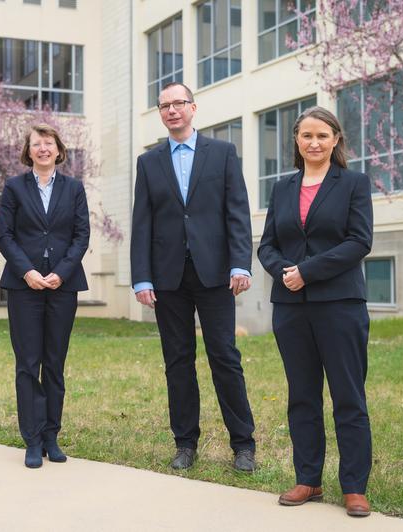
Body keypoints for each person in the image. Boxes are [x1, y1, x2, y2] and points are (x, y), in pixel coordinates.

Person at [130, 82, 256, 472]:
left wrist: (240, 263)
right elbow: (142, 223)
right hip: (168, 277)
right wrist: (141, 278)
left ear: (193, 108)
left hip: (215, 273)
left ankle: (243, 445)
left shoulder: (222, 153)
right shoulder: (149, 162)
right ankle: (185, 443)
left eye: (178, 103)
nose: (171, 111)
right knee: (178, 361)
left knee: (225, 357)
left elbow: (237, 210)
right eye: (164, 105)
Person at [257, 106, 374, 517]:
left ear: (336, 139)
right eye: (306, 136)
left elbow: (359, 242)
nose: (314, 143)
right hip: (290, 309)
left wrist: (306, 272)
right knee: (302, 396)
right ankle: (308, 479)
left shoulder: (354, 184)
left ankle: (354, 487)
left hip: (340, 305)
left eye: (322, 135)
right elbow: (267, 244)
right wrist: (285, 273)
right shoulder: (283, 188)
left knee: (348, 396)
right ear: (296, 140)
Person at [0, 124, 90, 468]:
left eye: (48, 143)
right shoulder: (14, 188)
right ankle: (32, 439)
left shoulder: (74, 188)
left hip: (63, 287)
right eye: (36, 144)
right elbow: (4, 236)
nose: (43, 148)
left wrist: (61, 272)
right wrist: (28, 272)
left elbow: (81, 235)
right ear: (29, 150)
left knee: (54, 362)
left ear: (58, 149)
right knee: (27, 364)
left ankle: (52, 435)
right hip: (25, 287)